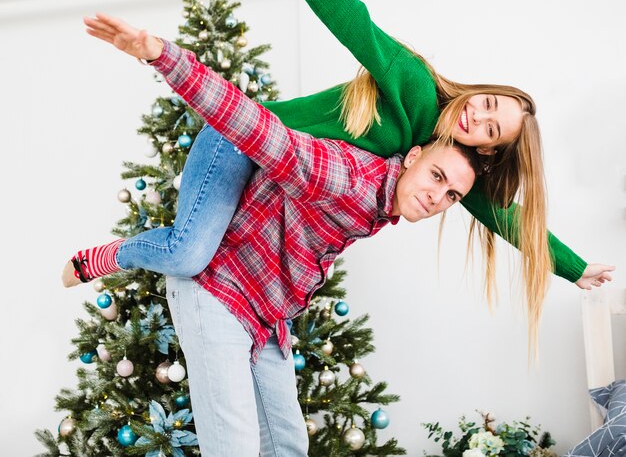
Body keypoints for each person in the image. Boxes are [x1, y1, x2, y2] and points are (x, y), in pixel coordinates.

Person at [63, 0, 614, 350]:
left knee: (254, 289)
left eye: (491, 129)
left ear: (490, 151)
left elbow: (509, 219)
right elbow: (349, 16)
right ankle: (106, 256)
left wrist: (575, 267)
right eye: (488, 103)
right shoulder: (414, 83)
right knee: (188, 253)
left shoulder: (446, 169)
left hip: (275, 182)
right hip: (239, 143)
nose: (477, 115)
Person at [75, 24, 481, 456]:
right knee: (235, 448)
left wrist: (564, 268)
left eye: (452, 195)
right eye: (437, 177)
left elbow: (504, 215)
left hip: (264, 318)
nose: (438, 197)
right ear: (414, 157)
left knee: (288, 445)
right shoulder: (347, 178)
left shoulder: (384, 200)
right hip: (216, 291)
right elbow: (257, 128)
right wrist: (164, 57)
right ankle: (115, 253)